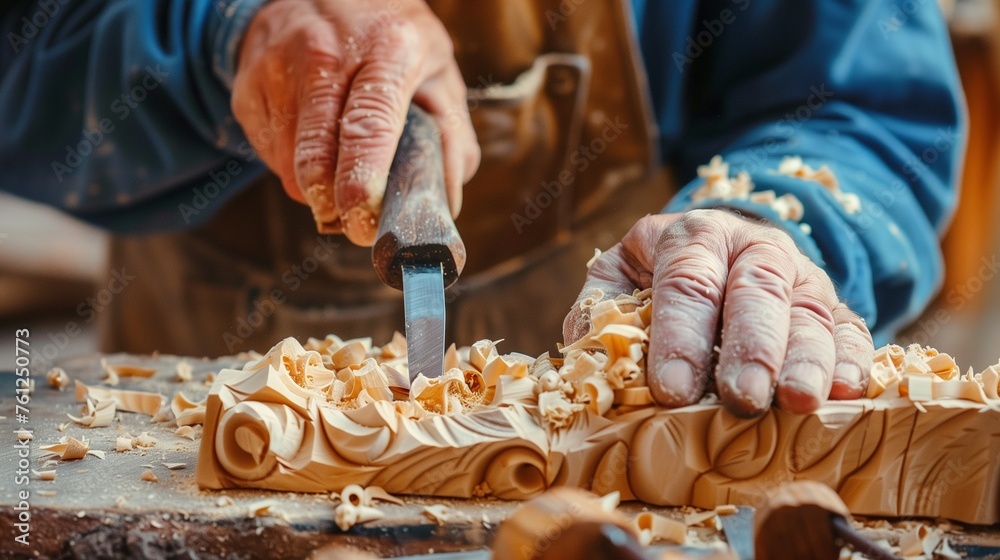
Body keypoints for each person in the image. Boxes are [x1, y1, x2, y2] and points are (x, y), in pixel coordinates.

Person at [0, 0, 964, 418]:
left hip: (618, 461)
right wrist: (221, 31)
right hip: (204, 402)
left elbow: (863, 101)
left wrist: (772, 223)